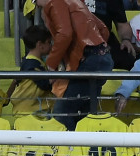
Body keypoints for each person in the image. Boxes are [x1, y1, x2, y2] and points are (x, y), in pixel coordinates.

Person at [36, 0, 115, 131]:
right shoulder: (76, 2)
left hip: (88, 61)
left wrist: (51, 65)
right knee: (86, 116)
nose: (36, 4)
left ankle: (69, 145)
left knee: (61, 113)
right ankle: (84, 143)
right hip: (103, 59)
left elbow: (64, 34)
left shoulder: (55, 2)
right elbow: (103, 29)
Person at [6, 26, 54, 119]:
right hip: (27, 113)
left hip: (34, 112)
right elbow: (44, 84)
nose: (51, 46)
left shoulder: (35, 62)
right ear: (40, 44)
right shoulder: (32, 64)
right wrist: (58, 74)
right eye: (49, 42)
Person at [84, 0, 140, 70]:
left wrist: (126, 40)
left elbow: (122, 24)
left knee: (129, 60)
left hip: (104, 41)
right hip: (78, 41)